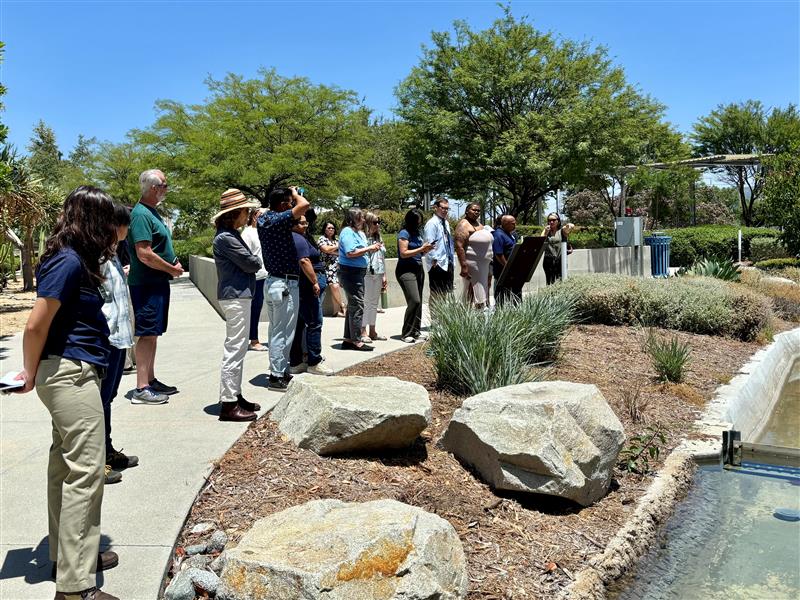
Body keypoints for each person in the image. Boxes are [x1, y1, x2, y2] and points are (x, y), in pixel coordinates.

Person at [15, 186, 120, 600]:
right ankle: (75, 588)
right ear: (93, 221)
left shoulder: (72, 258)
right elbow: (35, 324)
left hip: (69, 371)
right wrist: (27, 372)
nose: (114, 228)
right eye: (109, 219)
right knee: (87, 473)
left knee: (65, 467)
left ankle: (70, 556)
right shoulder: (69, 260)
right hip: (69, 374)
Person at [127, 169, 183, 405]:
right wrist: (171, 269)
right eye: (165, 185)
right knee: (147, 334)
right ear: (154, 187)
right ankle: (141, 388)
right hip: (147, 284)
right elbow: (144, 254)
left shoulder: (151, 213)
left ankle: (150, 379)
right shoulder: (141, 215)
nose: (166, 190)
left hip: (156, 283)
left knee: (153, 334)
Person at [212, 189, 263, 421]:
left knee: (239, 348)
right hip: (235, 297)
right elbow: (252, 263)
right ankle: (229, 404)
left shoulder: (231, 234)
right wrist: (254, 260)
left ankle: (235, 395)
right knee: (235, 348)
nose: (248, 215)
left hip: (238, 296)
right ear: (235, 213)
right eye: (246, 211)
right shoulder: (226, 238)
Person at [99, 204, 138, 485]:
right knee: (98, 402)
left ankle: (108, 450)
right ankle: (96, 461)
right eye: (126, 224)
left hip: (119, 339)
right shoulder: (96, 258)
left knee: (108, 398)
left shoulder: (112, 255)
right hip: (106, 340)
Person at [257, 186, 310, 392]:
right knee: (283, 331)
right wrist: (295, 192)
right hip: (285, 284)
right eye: (289, 202)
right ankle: (277, 375)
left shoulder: (264, 219)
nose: (292, 205)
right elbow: (304, 206)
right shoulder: (278, 220)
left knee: (276, 331)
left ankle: (279, 370)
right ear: (282, 205)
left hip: (274, 283)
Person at [288, 216, 334, 375]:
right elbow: (304, 261)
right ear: (293, 225)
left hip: (305, 284)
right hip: (307, 284)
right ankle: (314, 362)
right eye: (302, 222)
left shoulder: (300, 237)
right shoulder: (296, 238)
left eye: (306, 222)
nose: (306, 224)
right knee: (315, 322)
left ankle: (296, 361)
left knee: (300, 323)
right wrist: (315, 281)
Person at [338, 208, 381, 351]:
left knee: (353, 306)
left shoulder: (359, 233)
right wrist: (369, 248)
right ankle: (356, 340)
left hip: (358, 272)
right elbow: (351, 252)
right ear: (352, 220)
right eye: (360, 218)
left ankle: (348, 339)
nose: (363, 220)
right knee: (357, 305)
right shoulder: (347, 232)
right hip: (351, 272)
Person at [396, 208, 434, 343]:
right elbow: (404, 253)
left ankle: (415, 331)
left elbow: (418, 253)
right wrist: (421, 249)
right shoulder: (404, 233)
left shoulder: (417, 233)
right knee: (414, 300)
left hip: (418, 269)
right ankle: (406, 333)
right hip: (405, 271)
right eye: (417, 222)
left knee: (419, 303)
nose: (419, 224)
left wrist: (426, 250)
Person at [454, 203, 494, 309]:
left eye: (478, 210)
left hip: (484, 265)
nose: (476, 212)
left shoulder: (478, 224)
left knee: (482, 290)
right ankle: (468, 316)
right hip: (472, 264)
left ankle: (479, 313)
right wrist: (464, 266)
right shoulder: (463, 225)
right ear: (467, 211)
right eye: (474, 210)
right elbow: (459, 247)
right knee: (472, 290)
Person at [241, 208, 269, 351]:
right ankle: (253, 340)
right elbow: (245, 256)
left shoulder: (265, 232)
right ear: (253, 217)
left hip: (267, 275)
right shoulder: (247, 233)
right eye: (260, 215)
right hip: (256, 276)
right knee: (254, 309)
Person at [361, 211, 387, 342]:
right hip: (366, 273)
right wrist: (370, 248)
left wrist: (384, 275)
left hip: (378, 272)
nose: (378, 225)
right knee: (366, 302)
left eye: (378, 222)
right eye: (375, 222)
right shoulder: (362, 238)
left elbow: (382, 257)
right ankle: (363, 331)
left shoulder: (379, 237)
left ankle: (373, 330)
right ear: (368, 223)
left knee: (374, 303)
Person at [423, 197, 455, 299]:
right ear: (435, 208)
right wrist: (434, 259)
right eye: (443, 208)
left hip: (447, 261)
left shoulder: (445, 222)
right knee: (436, 293)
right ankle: (434, 315)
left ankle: (441, 315)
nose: (445, 210)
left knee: (445, 292)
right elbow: (429, 242)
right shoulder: (432, 223)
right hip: (437, 263)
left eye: (447, 208)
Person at [318, 220, 346, 317]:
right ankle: (343, 306)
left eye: (333, 228)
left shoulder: (336, 240)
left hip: (339, 267)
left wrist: (333, 250)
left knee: (337, 286)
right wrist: (337, 247)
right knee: (334, 286)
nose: (331, 229)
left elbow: (343, 252)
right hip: (327, 267)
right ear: (324, 229)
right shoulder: (322, 239)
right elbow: (325, 249)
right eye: (329, 228)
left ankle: (336, 311)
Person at [493, 214, 522, 305]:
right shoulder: (498, 235)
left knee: (515, 295)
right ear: (505, 223)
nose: (515, 225)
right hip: (503, 272)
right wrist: (507, 268)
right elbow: (499, 254)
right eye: (513, 224)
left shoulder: (510, 234)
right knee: (501, 296)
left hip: (513, 272)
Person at [541, 212, 575, 285]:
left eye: (553, 220)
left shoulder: (562, 231)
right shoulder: (546, 230)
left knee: (561, 281)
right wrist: (546, 232)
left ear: (558, 221)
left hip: (560, 260)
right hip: (548, 260)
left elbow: (568, 227)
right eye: (549, 220)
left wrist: (569, 225)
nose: (551, 222)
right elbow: (540, 241)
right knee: (549, 283)